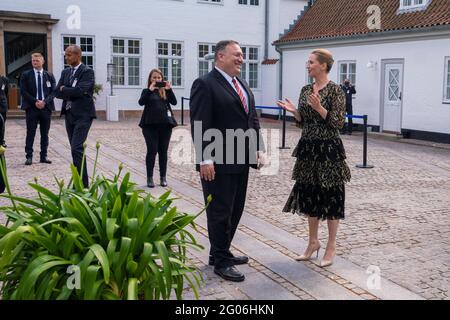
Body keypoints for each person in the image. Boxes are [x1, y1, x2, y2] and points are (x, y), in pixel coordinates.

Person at [190, 40, 265, 282]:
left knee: (235, 209)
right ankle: (221, 262)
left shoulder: (241, 83)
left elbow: (251, 118)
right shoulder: (205, 84)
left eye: (242, 55)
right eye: (237, 54)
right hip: (217, 161)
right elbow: (200, 124)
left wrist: (258, 149)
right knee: (219, 211)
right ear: (220, 56)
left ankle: (219, 252)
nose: (242, 59)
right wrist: (205, 158)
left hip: (240, 159)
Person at [277, 48, 351, 268]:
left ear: (323, 65)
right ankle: (312, 242)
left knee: (331, 196)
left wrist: (320, 108)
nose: (307, 65)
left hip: (329, 150)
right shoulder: (306, 89)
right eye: (307, 62)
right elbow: (303, 121)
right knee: (309, 194)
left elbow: (338, 123)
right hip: (308, 148)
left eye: (311, 62)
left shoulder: (336, 91)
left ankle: (331, 246)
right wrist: (294, 112)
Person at [55, 45, 96, 187]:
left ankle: (83, 186)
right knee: (75, 150)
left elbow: (79, 90)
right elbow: (57, 91)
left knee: (76, 148)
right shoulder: (65, 72)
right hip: (69, 114)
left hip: (84, 115)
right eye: (66, 55)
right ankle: (80, 182)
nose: (66, 57)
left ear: (78, 56)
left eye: (69, 55)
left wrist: (65, 89)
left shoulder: (87, 72)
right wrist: (68, 90)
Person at [138, 69, 177, 188]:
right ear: (150, 79)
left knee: (163, 152)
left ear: (162, 79)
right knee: (152, 151)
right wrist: (150, 90)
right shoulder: (146, 91)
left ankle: (163, 178)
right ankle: (150, 178)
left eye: (158, 78)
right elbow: (141, 102)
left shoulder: (165, 91)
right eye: (154, 78)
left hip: (165, 125)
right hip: (150, 126)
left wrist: (169, 90)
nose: (156, 80)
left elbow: (174, 102)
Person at [20, 53, 56, 165]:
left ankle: (43, 156)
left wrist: (44, 102)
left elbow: (54, 92)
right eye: (33, 61)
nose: (34, 62)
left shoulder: (49, 75)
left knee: (45, 133)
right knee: (30, 132)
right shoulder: (26, 75)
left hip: (46, 108)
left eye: (37, 60)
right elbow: (23, 91)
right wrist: (35, 102)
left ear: (42, 61)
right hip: (32, 108)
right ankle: (29, 156)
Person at [0, 74, 8, 147]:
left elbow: (6, 92)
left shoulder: (4, 79)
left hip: (2, 106)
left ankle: (1, 140)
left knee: (2, 125)